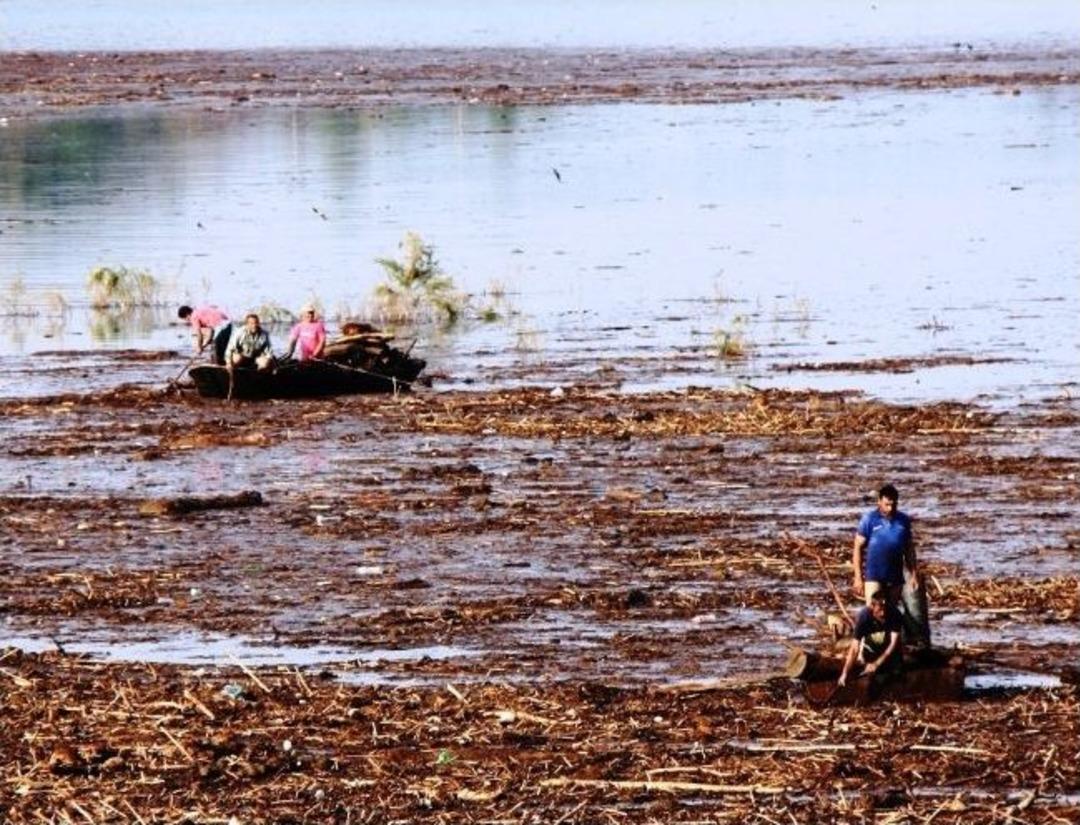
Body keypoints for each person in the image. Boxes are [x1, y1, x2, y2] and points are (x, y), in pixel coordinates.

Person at [852, 483, 930, 648]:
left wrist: (914, 574)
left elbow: (909, 549)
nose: (890, 507)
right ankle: (867, 650)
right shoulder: (869, 520)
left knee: (890, 613)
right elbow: (858, 547)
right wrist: (858, 577)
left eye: (893, 504)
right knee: (873, 612)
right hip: (874, 574)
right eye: (887, 504)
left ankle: (889, 649)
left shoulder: (903, 521)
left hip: (894, 576)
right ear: (879, 502)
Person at [838, 588, 903, 687]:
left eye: (885, 609)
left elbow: (893, 644)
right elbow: (854, 648)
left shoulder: (895, 614)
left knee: (895, 672)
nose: (883, 614)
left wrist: (877, 663)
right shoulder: (864, 617)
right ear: (872, 607)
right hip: (871, 644)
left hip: (888, 643)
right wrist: (845, 672)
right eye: (879, 610)